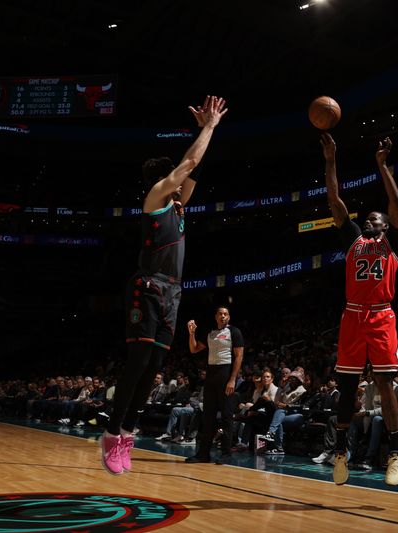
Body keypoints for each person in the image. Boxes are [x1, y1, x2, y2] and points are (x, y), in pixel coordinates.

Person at [100, 95, 228, 475]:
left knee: (154, 366)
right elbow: (188, 163)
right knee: (138, 363)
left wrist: (203, 131)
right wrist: (209, 126)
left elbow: (194, 168)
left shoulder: (179, 203)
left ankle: (126, 434)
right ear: (163, 179)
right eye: (173, 175)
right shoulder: (155, 197)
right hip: (149, 286)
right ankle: (110, 434)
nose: (180, 180)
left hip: (173, 291)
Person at [320, 132, 398, 486]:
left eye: (375, 220)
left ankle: (395, 453)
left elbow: (396, 201)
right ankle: (341, 452)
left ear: (385, 226)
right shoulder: (353, 238)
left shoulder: (393, 241)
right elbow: (334, 198)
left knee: (385, 383)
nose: (369, 222)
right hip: (353, 315)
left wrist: (382, 166)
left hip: (381, 314)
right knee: (347, 384)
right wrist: (330, 159)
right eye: (367, 220)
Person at [185, 306, 244, 463]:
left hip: (226, 374)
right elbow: (194, 349)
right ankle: (203, 454)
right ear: (216, 316)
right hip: (211, 375)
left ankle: (226, 454)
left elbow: (239, 357)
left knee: (226, 416)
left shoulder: (234, 332)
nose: (223, 316)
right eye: (220, 314)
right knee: (208, 416)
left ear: (229, 317)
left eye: (226, 314)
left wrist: (232, 379)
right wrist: (192, 333)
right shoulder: (210, 333)